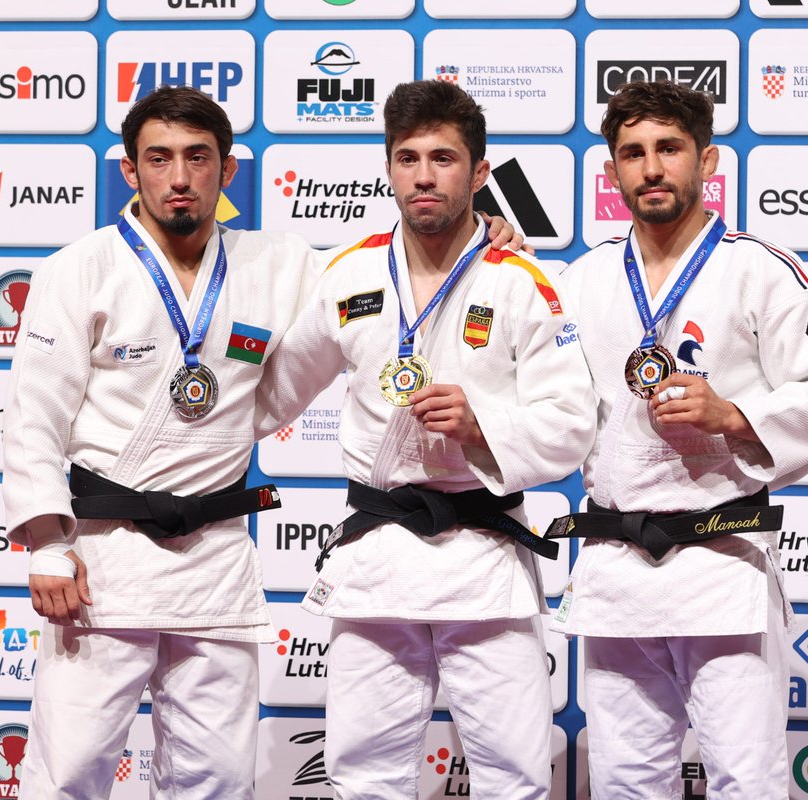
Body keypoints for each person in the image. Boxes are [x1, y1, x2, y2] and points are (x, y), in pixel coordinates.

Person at [2, 85, 521, 800]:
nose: (179, 178)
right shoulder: (79, 268)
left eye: (197, 158)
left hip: (214, 557)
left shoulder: (281, 264)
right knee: (68, 772)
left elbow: (387, 271)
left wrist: (484, 236)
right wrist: (48, 545)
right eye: (159, 159)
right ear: (130, 171)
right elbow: (33, 417)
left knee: (215, 778)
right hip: (102, 559)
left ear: (228, 170)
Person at [252, 79, 594, 799]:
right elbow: (273, 395)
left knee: (515, 777)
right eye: (407, 158)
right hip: (378, 559)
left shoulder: (525, 280)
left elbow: (571, 427)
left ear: (478, 173)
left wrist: (485, 427)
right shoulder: (346, 274)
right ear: (388, 168)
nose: (424, 176)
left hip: (484, 560)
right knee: (362, 774)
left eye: (443, 158)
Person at [547, 80, 808, 799]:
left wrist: (735, 416)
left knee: (746, 779)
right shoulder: (582, 280)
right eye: (632, 153)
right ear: (613, 171)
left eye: (669, 150)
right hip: (617, 564)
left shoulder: (761, 270)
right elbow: (548, 405)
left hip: (723, 563)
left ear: (707, 161)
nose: (651, 168)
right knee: (625, 781)